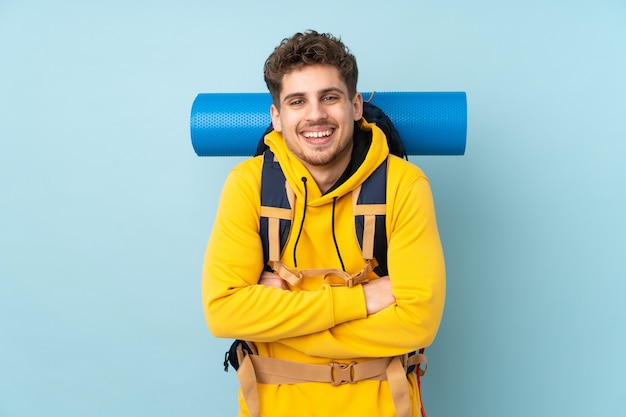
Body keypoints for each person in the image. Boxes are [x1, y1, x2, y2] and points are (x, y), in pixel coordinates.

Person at [202, 30, 446, 417]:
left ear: (355, 106)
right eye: (297, 101)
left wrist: (279, 320)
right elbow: (223, 312)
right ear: (277, 117)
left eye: (329, 97)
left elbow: (417, 324)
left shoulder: (404, 185)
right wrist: (363, 300)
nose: (315, 114)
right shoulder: (247, 185)